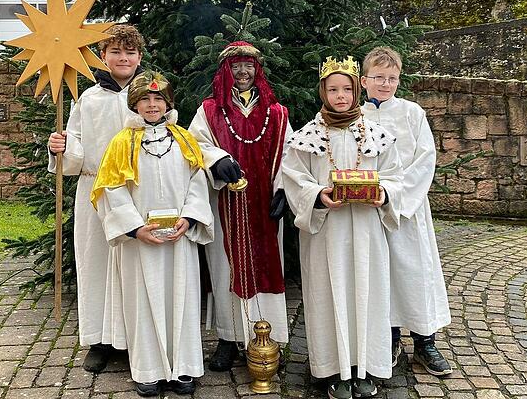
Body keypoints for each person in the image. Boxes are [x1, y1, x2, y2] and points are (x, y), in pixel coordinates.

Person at [282, 56, 403, 399]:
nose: (340, 96)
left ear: (355, 91)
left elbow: (396, 176)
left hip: (366, 231)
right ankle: (334, 368)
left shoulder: (378, 135)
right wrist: (318, 195)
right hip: (327, 234)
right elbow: (293, 179)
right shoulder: (307, 137)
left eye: (346, 89)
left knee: (368, 293)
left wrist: (383, 194)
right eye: (332, 89)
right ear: (323, 91)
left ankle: (367, 367)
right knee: (328, 293)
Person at [91, 71, 212, 397]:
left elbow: (197, 183)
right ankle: (147, 369)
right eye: (145, 98)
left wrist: (189, 218)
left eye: (158, 98)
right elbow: (111, 189)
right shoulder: (122, 143)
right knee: (143, 301)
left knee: (182, 300)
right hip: (140, 243)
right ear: (135, 104)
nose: (152, 104)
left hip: (177, 238)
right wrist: (134, 228)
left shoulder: (184, 139)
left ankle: (184, 367)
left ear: (168, 103)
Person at [47, 23, 144, 372]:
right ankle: (100, 341)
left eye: (129, 52)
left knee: (134, 266)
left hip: (137, 192)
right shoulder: (88, 99)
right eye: (115, 51)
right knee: (96, 263)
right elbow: (73, 152)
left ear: (139, 57)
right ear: (102, 56)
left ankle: (136, 338)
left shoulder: (148, 96)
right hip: (95, 192)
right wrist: (60, 147)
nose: (123, 58)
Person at [188, 41, 291, 370]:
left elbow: (292, 156)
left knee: (267, 266)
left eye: (248, 65)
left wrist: (285, 191)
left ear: (257, 70)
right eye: (236, 66)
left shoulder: (276, 113)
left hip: (265, 206)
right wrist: (215, 160)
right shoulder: (209, 110)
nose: (243, 72)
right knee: (224, 267)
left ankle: (269, 335)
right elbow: (194, 145)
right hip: (226, 203)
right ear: (225, 71)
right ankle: (228, 338)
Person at [360, 47, 452, 376]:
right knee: (382, 275)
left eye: (392, 78)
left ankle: (425, 341)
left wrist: (397, 196)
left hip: (408, 209)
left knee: (414, 274)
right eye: (379, 78)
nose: (385, 84)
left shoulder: (412, 113)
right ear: (364, 80)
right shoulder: (356, 117)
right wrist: (372, 194)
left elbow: (425, 159)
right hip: (371, 208)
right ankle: (390, 338)